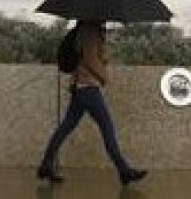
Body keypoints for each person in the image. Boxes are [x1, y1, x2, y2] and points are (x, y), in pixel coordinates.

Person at [36, 20, 147, 186]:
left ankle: (46, 165)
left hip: (80, 87)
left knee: (65, 128)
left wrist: (103, 56)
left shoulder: (86, 29)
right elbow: (89, 58)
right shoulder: (90, 30)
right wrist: (103, 75)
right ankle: (124, 171)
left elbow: (92, 56)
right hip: (88, 88)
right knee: (107, 128)